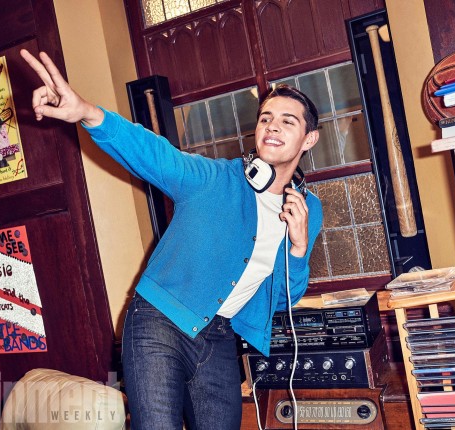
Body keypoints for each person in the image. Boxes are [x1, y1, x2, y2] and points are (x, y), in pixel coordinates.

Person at [20, 49, 323, 430]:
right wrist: (87, 112)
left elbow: (281, 300)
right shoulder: (213, 179)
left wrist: (298, 249)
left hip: (219, 336)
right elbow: (154, 153)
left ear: (309, 139)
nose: (272, 127)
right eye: (265, 118)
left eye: (287, 121)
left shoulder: (307, 209)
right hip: (158, 324)